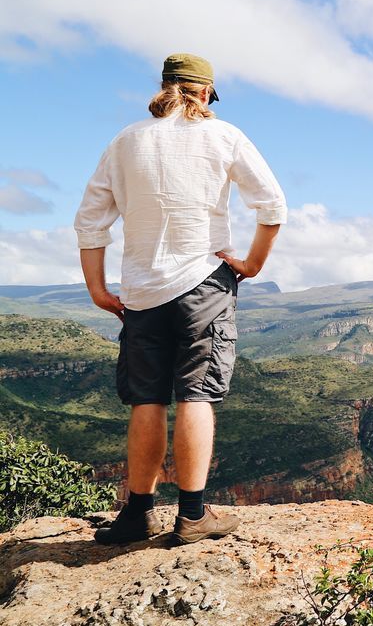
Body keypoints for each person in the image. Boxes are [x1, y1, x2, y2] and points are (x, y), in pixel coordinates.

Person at [74, 53, 287, 545]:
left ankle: (136, 514)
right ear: (206, 93)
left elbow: (90, 221)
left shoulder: (125, 141)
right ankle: (192, 516)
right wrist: (252, 265)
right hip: (204, 282)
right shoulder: (224, 136)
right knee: (197, 394)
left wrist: (97, 288)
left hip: (141, 290)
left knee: (146, 399)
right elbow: (272, 206)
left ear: (164, 88)